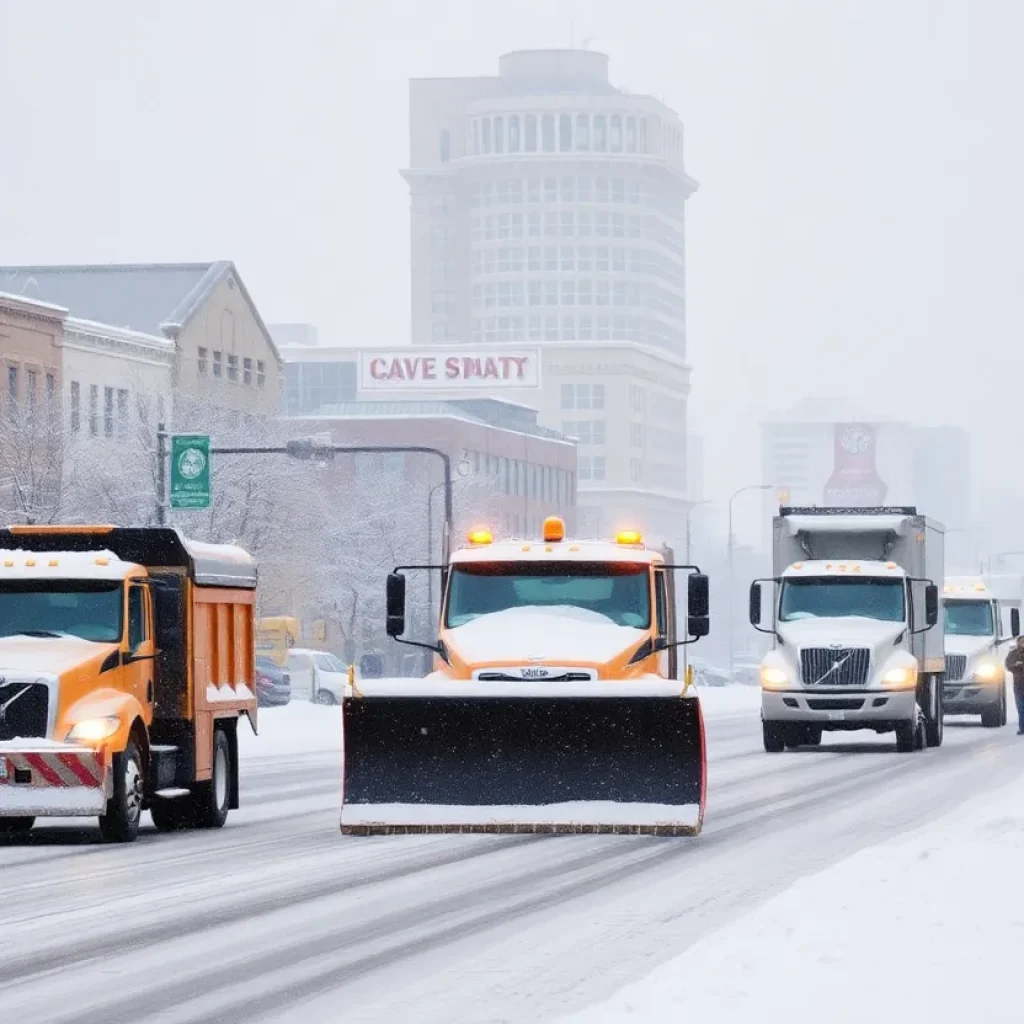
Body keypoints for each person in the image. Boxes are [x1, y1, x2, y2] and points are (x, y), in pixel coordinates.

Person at [1004, 636, 1024, 734]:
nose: (1023, 644)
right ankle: (1022, 728)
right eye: (1021, 642)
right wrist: (1015, 665)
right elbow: (1008, 665)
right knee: (1021, 707)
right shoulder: (1013, 654)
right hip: (1019, 684)